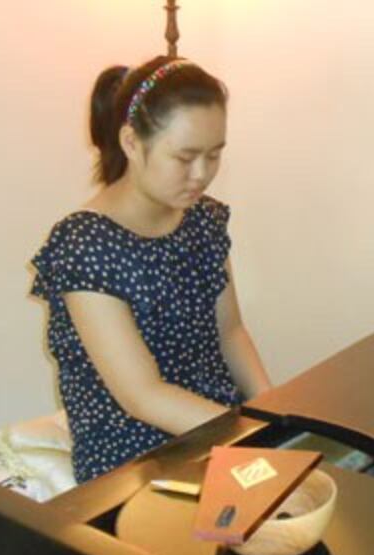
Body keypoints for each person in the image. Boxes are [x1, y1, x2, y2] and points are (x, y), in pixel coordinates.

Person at [30, 56, 272, 483]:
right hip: (134, 455)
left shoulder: (203, 219)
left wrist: (274, 415)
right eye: (184, 157)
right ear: (131, 141)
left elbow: (231, 332)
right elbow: (142, 395)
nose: (201, 175)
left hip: (216, 427)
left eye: (214, 156)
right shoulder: (84, 246)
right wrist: (248, 441)